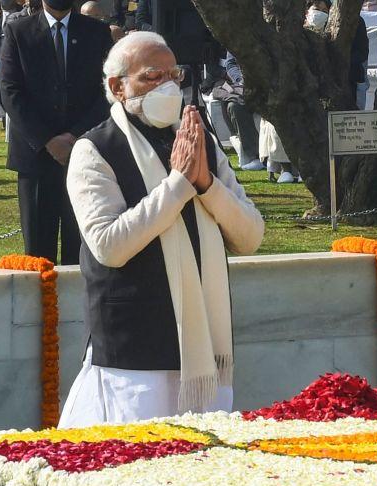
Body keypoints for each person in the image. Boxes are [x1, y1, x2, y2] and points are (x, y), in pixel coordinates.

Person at [61, 32, 264, 426]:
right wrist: (179, 186)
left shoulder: (201, 142)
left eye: (174, 75)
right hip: (134, 354)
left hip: (204, 351)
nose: (168, 87)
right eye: (153, 77)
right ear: (118, 87)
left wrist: (207, 185)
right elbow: (108, 246)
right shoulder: (95, 150)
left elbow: (251, 236)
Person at [0, 0, 113, 265]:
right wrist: (47, 140)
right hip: (36, 157)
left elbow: (108, 90)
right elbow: (10, 90)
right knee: (38, 256)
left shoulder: (97, 32)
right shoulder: (18, 32)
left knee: (82, 253)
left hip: (84, 155)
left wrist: (75, 137)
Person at [204, 51, 263, 171]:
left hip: (266, 85)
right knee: (233, 106)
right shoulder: (231, 45)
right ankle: (253, 155)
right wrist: (240, 79)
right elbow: (230, 64)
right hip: (241, 86)